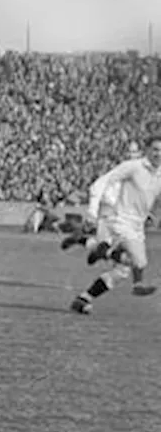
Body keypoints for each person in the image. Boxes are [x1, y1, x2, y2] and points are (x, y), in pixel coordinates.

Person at [70, 134, 161, 314]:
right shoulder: (131, 168)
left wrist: (150, 213)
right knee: (137, 261)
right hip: (117, 220)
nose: (158, 153)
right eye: (155, 149)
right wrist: (91, 212)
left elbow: (150, 196)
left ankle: (84, 298)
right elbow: (100, 185)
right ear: (147, 150)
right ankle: (104, 252)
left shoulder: (158, 173)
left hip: (135, 225)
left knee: (122, 271)